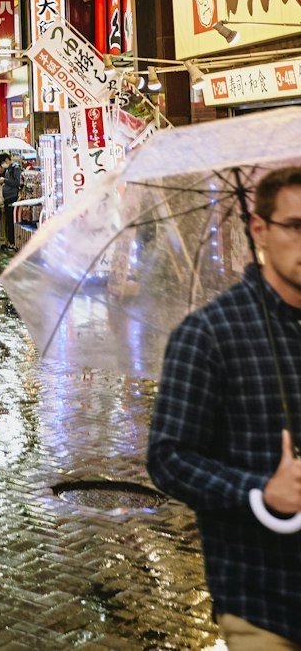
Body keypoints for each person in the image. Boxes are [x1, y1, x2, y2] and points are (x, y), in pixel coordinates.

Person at [148, 166, 301, 651]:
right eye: (297, 227)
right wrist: (259, 493)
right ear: (260, 230)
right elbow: (168, 457)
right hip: (263, 602)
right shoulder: (209, 334)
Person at [0, 153, 22, 250]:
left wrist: (5, 180)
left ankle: (13, 242)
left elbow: (17, 183)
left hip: (12, 197)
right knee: (8, 221)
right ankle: (10, 242)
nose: (3, 165)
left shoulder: (16, 168)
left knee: (11, 221)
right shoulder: (9, 169)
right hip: (7, 198)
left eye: (3, 162)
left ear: (7, 160)